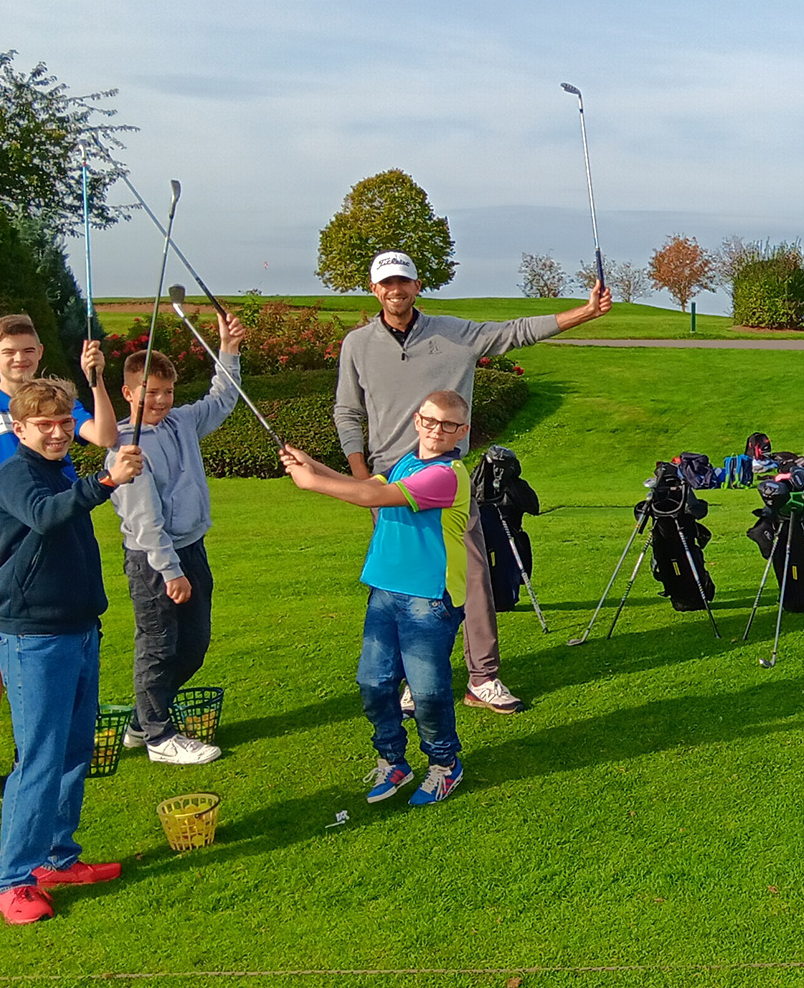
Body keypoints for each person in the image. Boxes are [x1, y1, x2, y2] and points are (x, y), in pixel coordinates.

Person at [333, 251, 610, 714]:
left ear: (416, 286)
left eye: (403, 282)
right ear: (374, 288)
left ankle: (483, 678)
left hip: (444, 476)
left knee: (475, 577)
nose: (395, 290)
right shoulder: (357, 345)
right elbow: (348, 410)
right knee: (403, 585)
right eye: (386, 283)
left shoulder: (454, 333)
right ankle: (409, 678)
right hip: (391, 480)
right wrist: (362, 478)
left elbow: (515, 332)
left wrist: (585, 311)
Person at [0, 378, 144, 924]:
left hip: (79, 629)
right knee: (40, 758)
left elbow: (65, 506)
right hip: (33, 637)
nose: (56, 433)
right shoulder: (13, 476)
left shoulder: (61, 470)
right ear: (20, 428)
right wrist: (106, 480)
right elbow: (46, 515)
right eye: (44, 425)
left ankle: (56, 858)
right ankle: (11, 882)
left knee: (76, 751)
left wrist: (95, 480)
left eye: (61, 423)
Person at [0, 314, 116, 806]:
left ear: (40, 352)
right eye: (9, 351)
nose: (19, 359)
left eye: (28, 350)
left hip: (52, 534)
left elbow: (104, 437)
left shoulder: (58, 405)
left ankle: (36, 751)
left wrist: (97, 378)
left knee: (57, 644)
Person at [283, 390, 475, 805]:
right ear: (417, 420)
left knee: (427, 693)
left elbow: (373, 498)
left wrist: (311, 483)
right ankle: (394, 761)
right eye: (429, 420)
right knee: (374, 683)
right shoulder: (406, 462)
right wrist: (311, 463)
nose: (436, 430)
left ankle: (445, 766)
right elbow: (366, 485)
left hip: (429, 599)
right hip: (386, 590)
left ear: (462, 431)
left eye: (448, 425)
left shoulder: (448, 474)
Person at [107, 310, 246, 765]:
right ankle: (159, 738)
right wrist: (170, 570)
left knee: (194, 645)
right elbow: (144, 520)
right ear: (128, 393)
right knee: (158, 644)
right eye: (151, 393)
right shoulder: (126, 447)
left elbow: (224, 397)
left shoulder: (182, 422)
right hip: (154, 560)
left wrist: (228, 348)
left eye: (167, 392)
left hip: (192, 546)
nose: (162, 400)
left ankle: (140, 721)